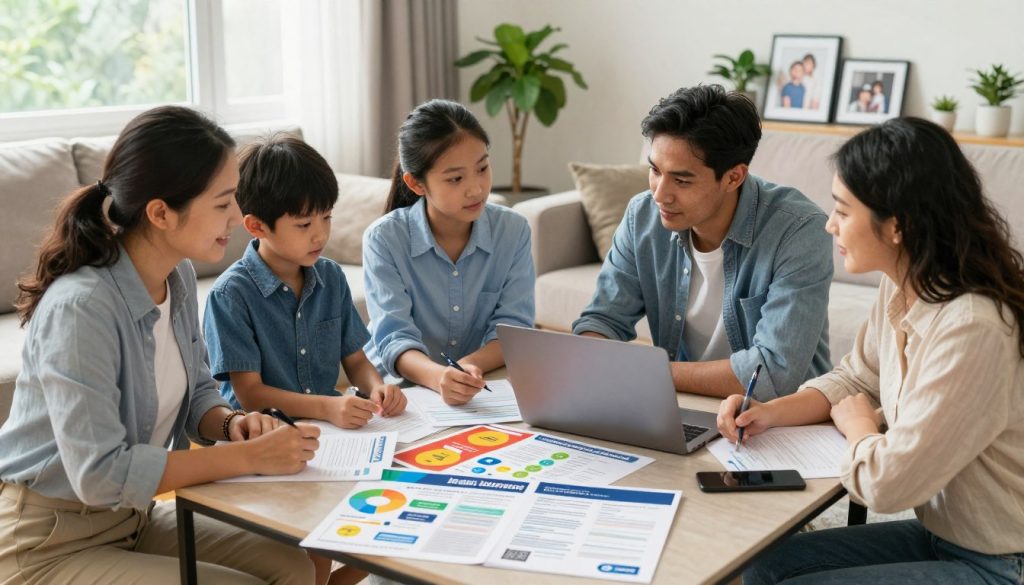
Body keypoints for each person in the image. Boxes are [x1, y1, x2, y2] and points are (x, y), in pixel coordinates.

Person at [0, 106, 322, 584]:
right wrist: (248, 459)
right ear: (160, 213)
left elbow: (195, 390)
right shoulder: (81, 308)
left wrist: (233, 424)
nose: (236, 215)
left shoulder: (179, 276)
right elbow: (100, 474)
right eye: (222, 202)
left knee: (292, 565)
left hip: (130, 518)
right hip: (47, 541)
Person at [718, 117, 1024, 584]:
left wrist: (860, 426)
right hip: (942, 535)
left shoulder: (972, 328)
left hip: (1000, 562)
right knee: (762, 564)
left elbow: (886, 485)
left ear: (897, 225)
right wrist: (772, 411)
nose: (829, 224)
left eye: (842, 210)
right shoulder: (904, 285)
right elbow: (858, 377)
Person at [574, 85, 832, 400]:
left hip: (779, 418)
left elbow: (773, 372)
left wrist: (644, 372)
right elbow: (603, 318)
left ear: (734, 177)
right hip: (682, 402)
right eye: (655, 171)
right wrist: (590, 359)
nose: (660, 194)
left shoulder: (799, 230)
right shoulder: (642, 214)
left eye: (681, 180)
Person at [203, 135, 407, 430]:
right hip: (263, 434)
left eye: (326, 217)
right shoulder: (230, 295)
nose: (320, 235)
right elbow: (250, 394)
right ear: (256, 226)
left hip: (330, 429)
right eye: (304, 224)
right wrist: (328, 407)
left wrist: (378, 388)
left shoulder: (331, 278)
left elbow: (356, 362)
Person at [363, 99, 535, 406]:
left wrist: (466, 368)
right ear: (416, 183)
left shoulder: (513, 231)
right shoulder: (384, 239)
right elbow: (394, 338)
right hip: (397, 392)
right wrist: (439, 377)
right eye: (456, 178)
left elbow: (513, 328)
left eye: (482, 168)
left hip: (475, 383)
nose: (476, 188)